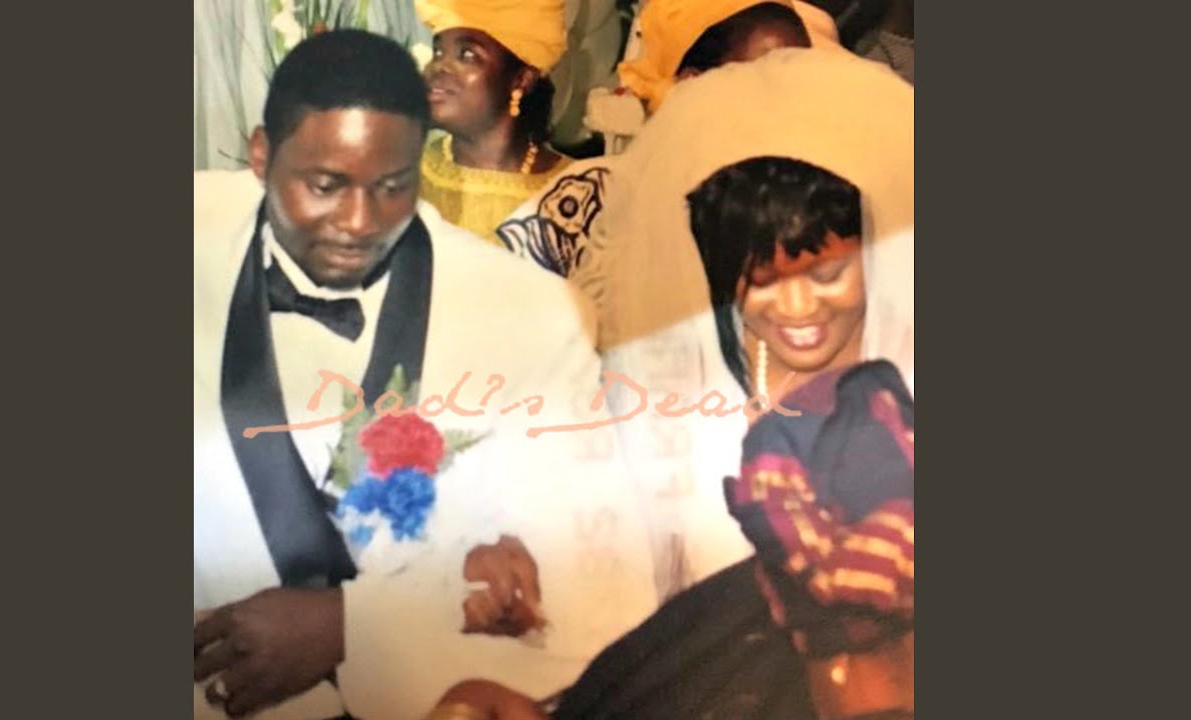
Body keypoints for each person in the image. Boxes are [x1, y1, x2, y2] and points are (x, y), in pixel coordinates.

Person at [417, 46, 914, 720]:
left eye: (828, 272)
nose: (798, 307)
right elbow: (600, 580)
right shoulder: (664, 392)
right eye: (760, 277)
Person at [193, 30, 655, 720]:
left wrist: (354, 628)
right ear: (261, 156)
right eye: (324, 185)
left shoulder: (526, 316)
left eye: (391, 186)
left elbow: (609, 588)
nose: (358, 222)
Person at [497, 0, 827, 278]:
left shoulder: (820, 208)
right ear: (692, 86)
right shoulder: (583, 207)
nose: (789, 102)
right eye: (765, 82)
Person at [414, 0, 574, 242]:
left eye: (467, 55)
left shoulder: (574, 192)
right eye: (438, 52)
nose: (438, 67)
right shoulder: (405, 171)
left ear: (522, 79)